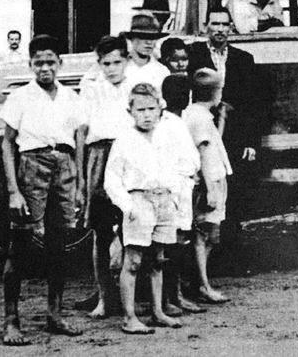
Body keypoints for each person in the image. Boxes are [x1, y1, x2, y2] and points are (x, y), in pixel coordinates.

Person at [0, 34, 85, 346]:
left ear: (60, 63)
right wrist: (14, 191)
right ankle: (11, 321)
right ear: (30, 65)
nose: (45, 68)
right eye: (39, 63)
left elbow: (78, 141)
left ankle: (55, 314)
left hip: (64, 167)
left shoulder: (71, 97)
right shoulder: (20, 97)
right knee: (20, 246)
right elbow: (7, 144)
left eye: (50, 62)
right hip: (32, 167)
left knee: (59, 245)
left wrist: (79, 184)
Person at [103, 82, 198, 334]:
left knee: (158, 259)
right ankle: (129, 317)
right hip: (139, 201)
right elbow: (111, 179)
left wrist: (174, 196)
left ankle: (158, 312)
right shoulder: (124, 139)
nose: (146, 115)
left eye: (151, 109)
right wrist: (128, 206)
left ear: (160, 109)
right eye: (140, 110)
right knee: (133, 261)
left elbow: (185, 165)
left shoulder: (167, 135)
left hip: (164, 200)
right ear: (130, 112)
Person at [186, 7, 266, 236]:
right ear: (206, 27)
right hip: (202, 131)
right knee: (202, 187)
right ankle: (202, 241)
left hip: (234, 134)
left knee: (233, 187)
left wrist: (251, 141)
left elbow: (253, 103)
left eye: (224, 24)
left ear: (231, 27)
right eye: (215, 24)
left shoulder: (243, 59)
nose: (220, 29)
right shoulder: (193, 55)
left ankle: (229, 242)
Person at [77, 35, 131, 319]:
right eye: (106, 63)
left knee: (130, 228)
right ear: (99, 64)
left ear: (126, 61)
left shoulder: (136, 86)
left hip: (129, 157)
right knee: (100, 232)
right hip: (99, 156)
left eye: (117, 62)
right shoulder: (91, 88)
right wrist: (81, 176)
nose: (112, 69)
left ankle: (129, 295)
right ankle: (104, 297)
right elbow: (82, 130)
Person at [182, 68, 233, 303]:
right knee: (204, 235)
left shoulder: (199, 114)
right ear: (216, 92)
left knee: (209, 235)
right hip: (209, 181)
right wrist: (210, 188)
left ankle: (198, 283)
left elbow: (213, 142)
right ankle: (201, 285)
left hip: (214, 178)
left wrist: (221, 118)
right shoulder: (199, 117)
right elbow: (202, 152)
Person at [159, 74, 205, 315]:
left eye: (184, 93)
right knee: (169, 243)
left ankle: (176, 295)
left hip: (185, 185)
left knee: (181, 240)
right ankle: (167, 298)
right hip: (171, 187)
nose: (181, 98)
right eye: (177, 94)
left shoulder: (180, 120)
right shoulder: (163, 122)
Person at [124, 13, 170, 90]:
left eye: (153, 37)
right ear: (132, 39)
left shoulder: (162, 71)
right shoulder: (120, 68)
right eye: (143, 37)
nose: (149, 42)